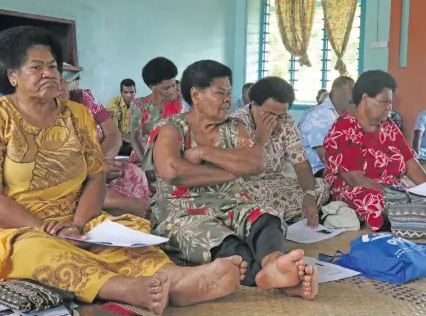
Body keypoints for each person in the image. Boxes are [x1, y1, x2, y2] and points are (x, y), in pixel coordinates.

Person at [0, 26, 251, 315]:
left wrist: (76, 226)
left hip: (77, 217)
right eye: (36, 67)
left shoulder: (76, 115)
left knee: (126, 232)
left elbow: (95, 178)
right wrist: (45, 229)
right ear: (12, 75)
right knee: (36, 251)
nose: (49, 73)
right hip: (19, 225)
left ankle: (177, 279)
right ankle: (126, 289)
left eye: (52, 66)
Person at [143, 60, 319, 298]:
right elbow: (174, 170)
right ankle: (274, 277)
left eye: (229, 93)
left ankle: (276, 262)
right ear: (196, 94)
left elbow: (255, 163)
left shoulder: (234, 127)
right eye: (220, 93)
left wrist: (205, 152)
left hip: (233, 201)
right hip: (181, 210)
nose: (227, 99)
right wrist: (230, 171)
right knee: (224, 243)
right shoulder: (171, 127)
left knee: (265, 217)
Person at [323, 70, 426, 231]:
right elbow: (355, 179)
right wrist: (398, 195)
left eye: (390, 103)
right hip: (358, 189)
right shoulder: (345, 127)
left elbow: (409, 161)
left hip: (392, 188)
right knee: (380, 203)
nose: (389, 108)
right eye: (384, 102)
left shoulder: (388, 125)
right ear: (365, 99)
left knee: (415, 200)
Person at [232, 77, 330, 226]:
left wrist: (309, 195)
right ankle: (271, 217)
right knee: (240, 198)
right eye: (269, 113)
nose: (276, 120)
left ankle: (269, 217)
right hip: (247, 186)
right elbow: (239, 168)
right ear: (254, 104)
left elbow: (301, 164)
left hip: (276, 183)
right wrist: (260, 140)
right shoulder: (237, 122)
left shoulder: (287, 121)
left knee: (321, 186)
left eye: (280, 115)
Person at [57, 79, 150, 218]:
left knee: (133, 172)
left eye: (61, 79)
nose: (60, 85)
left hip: (102, 159)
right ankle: (130, 206)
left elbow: (113, 134)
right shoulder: (40, 118)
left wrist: (101, 163)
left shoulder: (83, 99)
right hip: (75, 175)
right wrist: (95, 169)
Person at [128, 57, 181, 164]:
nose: (171, 91)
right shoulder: (139, 105)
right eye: (166, 88)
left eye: (173, 86)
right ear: (152, 87)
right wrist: (147, 165)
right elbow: (136, 139)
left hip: (170, 158)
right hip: (144, 157)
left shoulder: (178, 104)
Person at [299, 76, 355, 177]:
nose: (354, 96)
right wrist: (348, 174)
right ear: (335, 91)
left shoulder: (343, 114)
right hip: (317, 170)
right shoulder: (319, 115)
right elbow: (323, 153)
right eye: (351, 91)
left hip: (338, 166)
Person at [106, 79, 136, 156]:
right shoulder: (113, 105)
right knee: (137, 149)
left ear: (135, 91)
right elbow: (112, 133)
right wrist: (133, 141)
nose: (129, 95)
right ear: (121, 92)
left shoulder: (138, 105)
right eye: (126, 92)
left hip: (129, 140)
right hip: (115, 141)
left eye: (132, 92)